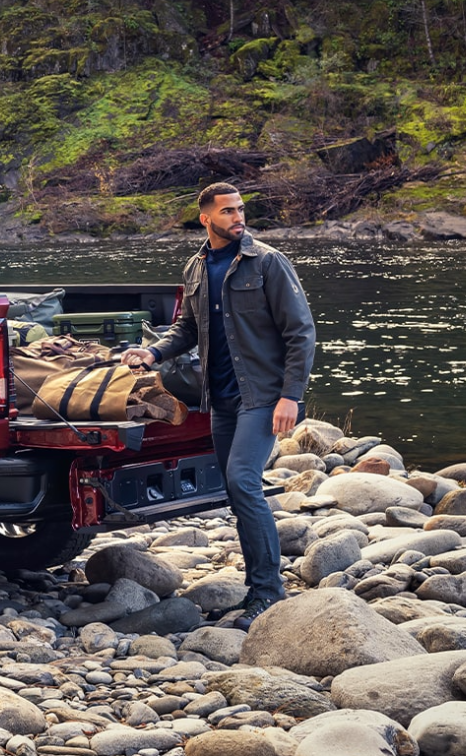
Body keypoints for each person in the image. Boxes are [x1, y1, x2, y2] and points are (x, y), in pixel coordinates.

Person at [120, 182, 316, 630]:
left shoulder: (267, 262)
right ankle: (256, 587)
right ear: (206, 218)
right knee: (235, 489)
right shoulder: (197, 266)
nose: (238, 217)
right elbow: (187, 328)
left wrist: (291, 396)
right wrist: (154, 353)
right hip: (221, 399)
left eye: (240, 209)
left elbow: (301, 332)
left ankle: (269, 592)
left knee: (243, 482)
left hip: (261, 397)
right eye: (228, 211)